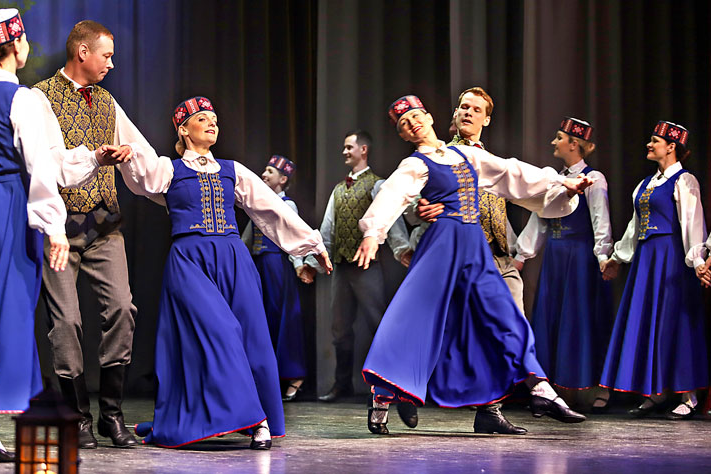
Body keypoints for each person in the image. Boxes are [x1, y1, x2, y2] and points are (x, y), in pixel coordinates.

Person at [0, 8, 119, 461]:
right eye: (24, 39)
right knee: (5, 316)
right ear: (15, 46)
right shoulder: (25, 99)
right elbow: (39, 167)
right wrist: (54, 227)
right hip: (11, 210)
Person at [356, 95, 589, 436]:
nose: (413, 124)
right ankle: (383, 394)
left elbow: (512, 171)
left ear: (429, 116)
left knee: (506, 317)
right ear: (403, 135)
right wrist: (373, 234)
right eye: (405, 124)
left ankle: (540, 390)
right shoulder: (415, 165)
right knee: (415, 320)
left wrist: (560, 183)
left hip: (476, 247)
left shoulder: (467, 155)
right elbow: (393, 195)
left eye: (416, 116)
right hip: (442, 246)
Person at [122, 97, 331, 449]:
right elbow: (139, 167)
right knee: (220, 332)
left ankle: (254, 419)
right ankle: (253, 418)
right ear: (183, 129)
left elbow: (271, 209)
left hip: (233, 258)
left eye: (215, 119)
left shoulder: (233, 170)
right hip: (190, 260)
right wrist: (123, 146)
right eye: (202, 118)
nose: (212, 123)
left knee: (251, 337)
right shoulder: (169, 170)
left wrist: (311, 243)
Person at [32, 20, 159, 449]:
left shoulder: (106, 101)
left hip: (104, 222)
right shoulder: (40, 98)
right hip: (60, 224)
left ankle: (111, 414)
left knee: (122, 308)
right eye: (106, 55)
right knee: (66, 321)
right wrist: (93, 157)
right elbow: (48, 162)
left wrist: (129, 153)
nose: (112, 63)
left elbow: (141, 151)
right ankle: (76, 418)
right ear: (82, 52)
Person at [599, 121, 709, 419]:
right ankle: (656, 392)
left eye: (654, 140)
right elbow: (635, 227)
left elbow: (692, 223)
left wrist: (698, 260)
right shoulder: (647, 184)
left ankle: (688, 395)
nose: (649, 145)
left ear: (671, 146)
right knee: (650, 321)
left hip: (672, 259)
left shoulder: (684, 181)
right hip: (647, 260)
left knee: (675, 322)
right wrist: (617, 258)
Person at [298, 130, 411, 404]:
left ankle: (388, 384)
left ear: (363, 150)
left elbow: (390, 219)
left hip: (367, 267)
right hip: (342, 267)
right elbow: (328, 230)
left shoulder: (378, 184)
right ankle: (342, 385)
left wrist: (402, 249)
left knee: (377, 324)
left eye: (349, 147)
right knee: (340, 329)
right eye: (344, 148)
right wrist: (312, 263)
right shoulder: (338, 189)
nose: (345, 152)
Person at [513, 118, 613, 405]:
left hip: (579, 257)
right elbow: (540, 219)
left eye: (559, 137)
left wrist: (603, 255)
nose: (553, 142)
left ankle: (589, 386)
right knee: (552, 317)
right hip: (555, 256)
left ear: (574, 144)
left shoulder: (594, 178)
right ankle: (551, 388)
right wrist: (521, 255)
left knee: (578, 318)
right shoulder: (556, 179)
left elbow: (600, 220)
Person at [413, 87, 524, 312]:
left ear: (486, 120)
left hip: (501, 259)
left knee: (516, 325)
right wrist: (418, 207)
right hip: (464, 257)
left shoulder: (494, 162)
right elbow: (411, 192)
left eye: (476, 110)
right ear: (456, 113)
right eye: (464, 107)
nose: (468, 113)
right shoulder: (441, 157)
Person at [240, 155, 308, 401]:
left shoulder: (287, 205)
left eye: (270, 171)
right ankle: (264, 377)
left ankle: (294, 375)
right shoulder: (258, 203)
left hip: (277, 266)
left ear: (283, 179)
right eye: (265, 170)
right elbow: (247, 239)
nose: (264, 175)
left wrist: (299, 265)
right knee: (261, 319)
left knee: (282, 319)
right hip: (259, 266)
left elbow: (295, 237)